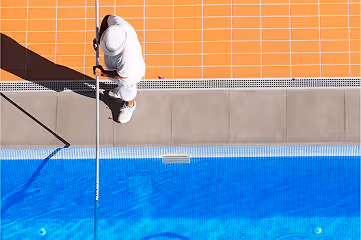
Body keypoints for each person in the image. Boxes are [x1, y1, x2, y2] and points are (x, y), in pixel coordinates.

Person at [93, 15, 145, 123]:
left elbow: (121, 75)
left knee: (127, 92)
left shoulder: (129, 60)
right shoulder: (119, 26)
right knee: (121, 84)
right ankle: (119, 89)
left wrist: (103, 73)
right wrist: (100, 35)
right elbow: (107, 18)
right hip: (120, 68)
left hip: (129, 76)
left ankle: (130, 105)